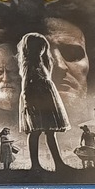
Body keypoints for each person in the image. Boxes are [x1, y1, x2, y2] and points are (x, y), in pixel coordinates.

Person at [19, 32, 69, 171]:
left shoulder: (42, 62)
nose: (42, 49)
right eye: (39, 47)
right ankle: (35, 165)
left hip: (46, 99)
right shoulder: (29, 63)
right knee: (35, 131)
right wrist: (27, 102)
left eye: (43, 46)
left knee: (50, 131)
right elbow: (26, 84)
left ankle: (59, 164)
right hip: (35, 99)